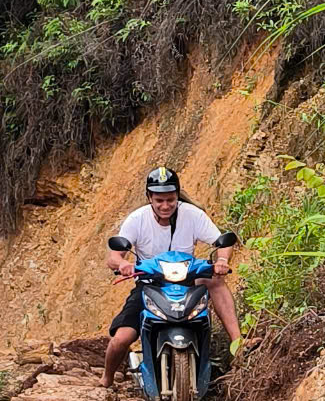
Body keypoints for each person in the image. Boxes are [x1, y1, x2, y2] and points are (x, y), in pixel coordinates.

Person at [102, 166, 241, 388]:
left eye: (170, 199)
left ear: (177, 196)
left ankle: (238, 343)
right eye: (159, 200)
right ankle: (107, 378)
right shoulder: (137, 219)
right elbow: (114, 256)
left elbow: (221, 242)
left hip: (187, 281)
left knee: (215, 280)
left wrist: (222, 260)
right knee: (121, 339)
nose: (165, 205)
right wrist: (123, 264)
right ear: (149, 198)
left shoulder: (193, 215)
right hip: (149, 284)